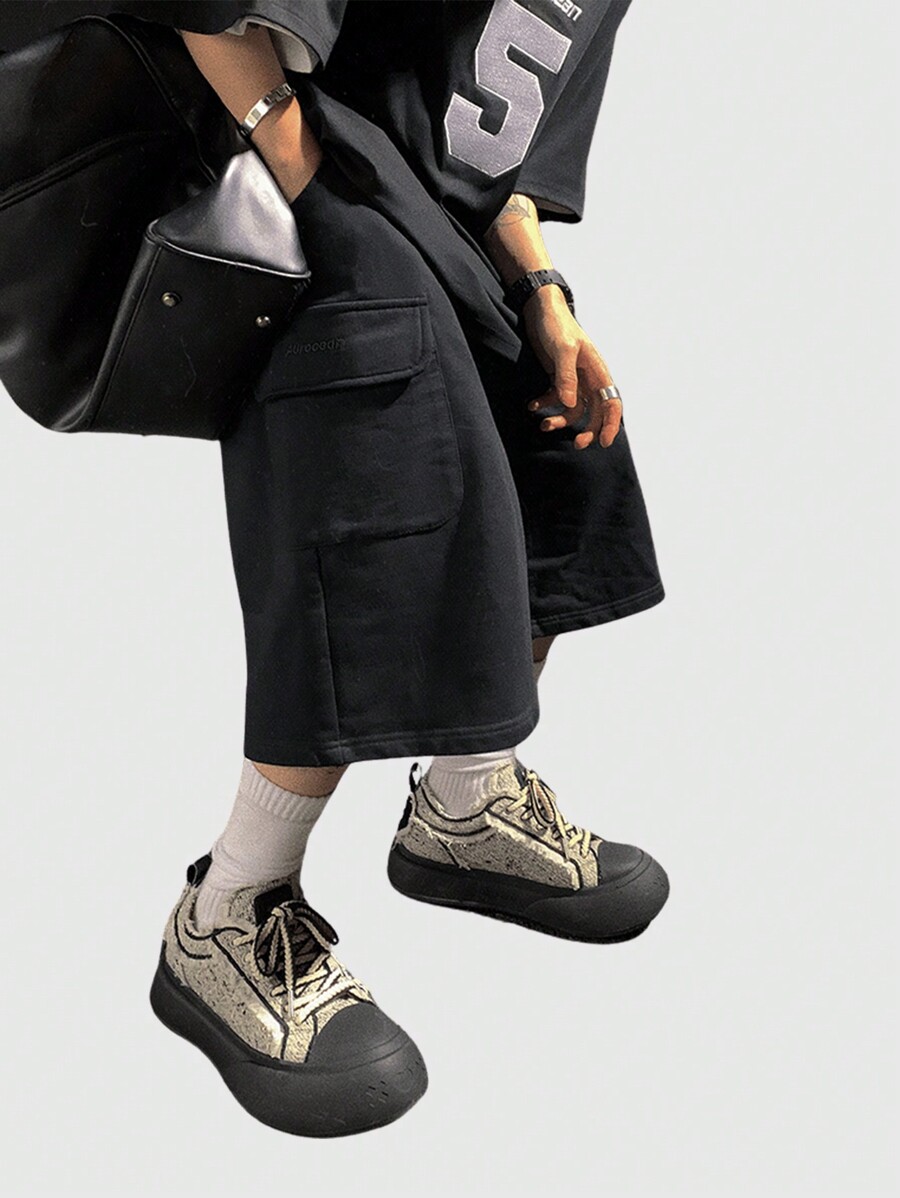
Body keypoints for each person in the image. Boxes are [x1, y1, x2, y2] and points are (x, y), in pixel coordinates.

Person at [8, 1, 670, 1137]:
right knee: (381, 471)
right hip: (251, 146)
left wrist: (543, 297)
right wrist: (306, 177)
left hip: (397, 191)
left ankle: (464, 807)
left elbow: (493, 154)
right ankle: (228, 913)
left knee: (557, 446)